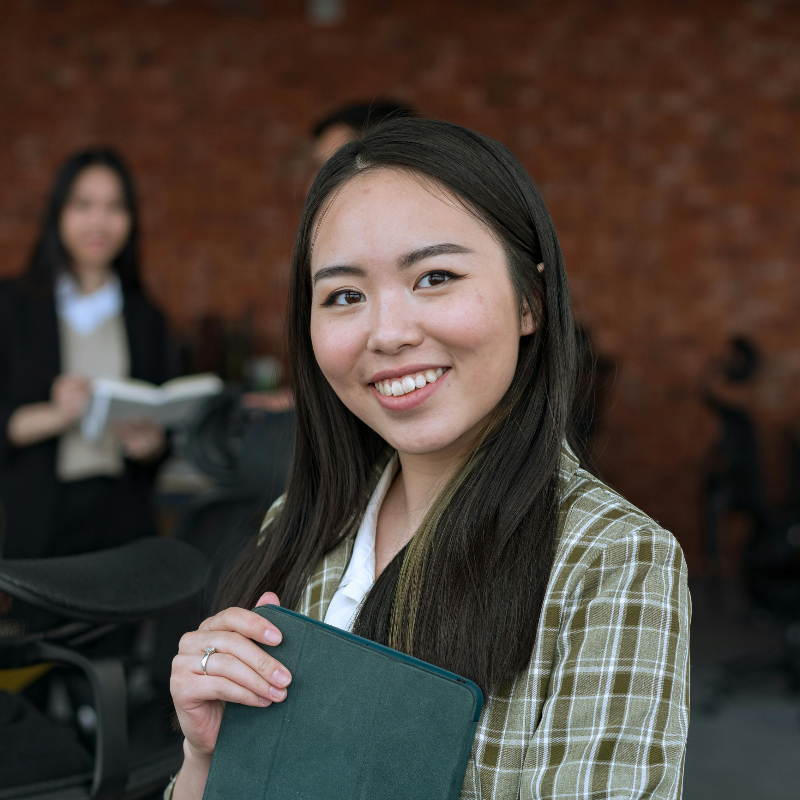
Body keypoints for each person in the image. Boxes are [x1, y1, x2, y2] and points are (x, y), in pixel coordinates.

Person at [167, 119, 690, 800]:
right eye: (345, 296)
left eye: (435, 276)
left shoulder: (611, 559)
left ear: (530, 299)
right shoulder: (300, 524)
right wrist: (204, 759)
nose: (388, 333)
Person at [0, 149, 169, 559]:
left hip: (122, 520)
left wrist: (152, 444)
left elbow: (165, 434)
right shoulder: (12, 305)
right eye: (84, 205)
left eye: (114, 207)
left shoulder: (146, 318)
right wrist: (58, 414)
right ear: (59, 213)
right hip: (36, 521)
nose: (99, 221)